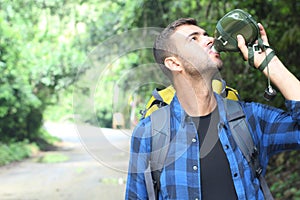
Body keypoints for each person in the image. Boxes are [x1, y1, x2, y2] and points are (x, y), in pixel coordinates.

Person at [125, 18, 300, 199]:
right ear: (174, 63)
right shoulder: (149, 133)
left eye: (206, 34)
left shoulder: (249, 118)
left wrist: (269, 62)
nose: (210, 39)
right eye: (194, 39)